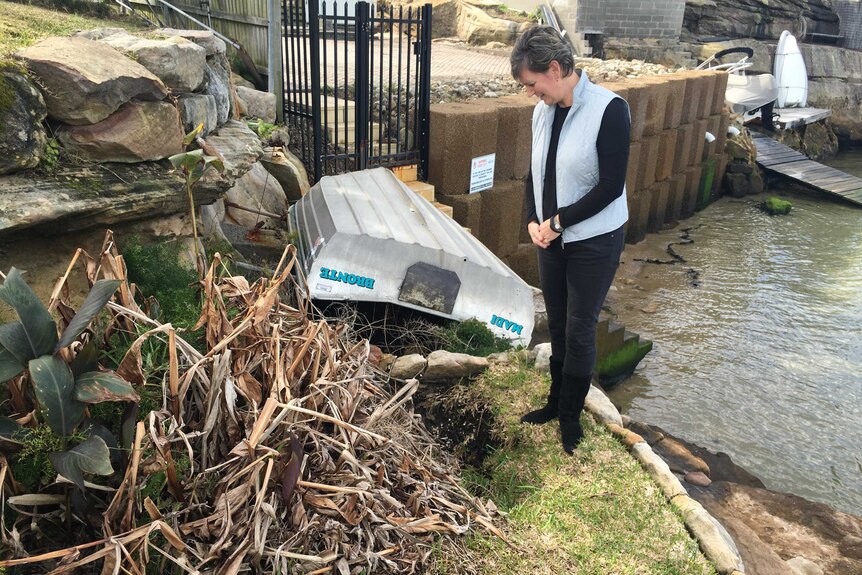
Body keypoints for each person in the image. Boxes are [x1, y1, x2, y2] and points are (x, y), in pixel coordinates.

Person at [510, 26, 629, 454]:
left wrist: (559, 222)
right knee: (557, 323)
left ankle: (569, 417)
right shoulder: (542, 110)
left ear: (555, 69)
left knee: (579, 329)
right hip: (551, 236)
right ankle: (553, 403)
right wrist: (531, 218)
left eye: (531, 83)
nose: (530, 93)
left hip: (595, 239)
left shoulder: (610, 110)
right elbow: (534, 173)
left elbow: (611, 186)